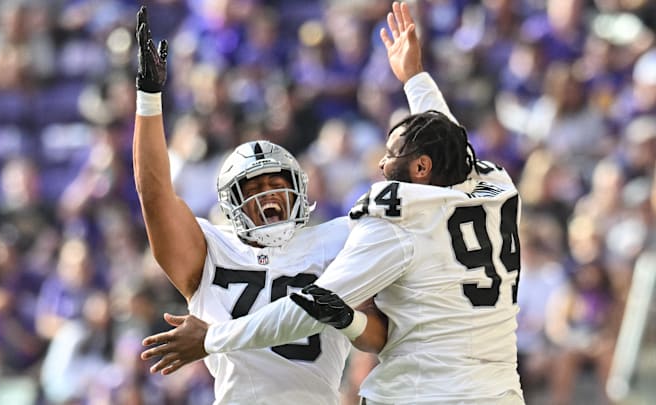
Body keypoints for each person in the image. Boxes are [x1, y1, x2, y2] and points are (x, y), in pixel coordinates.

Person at [141, 3, 524, 404]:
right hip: (497, 391)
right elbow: (448, 141)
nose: (381, 164)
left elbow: (306, 312)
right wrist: (415, 78)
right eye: (253, 189)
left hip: (422, 391)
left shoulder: (384, 225)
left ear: (421, 167)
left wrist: (214, 338)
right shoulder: (494, 186)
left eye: (391, 155)